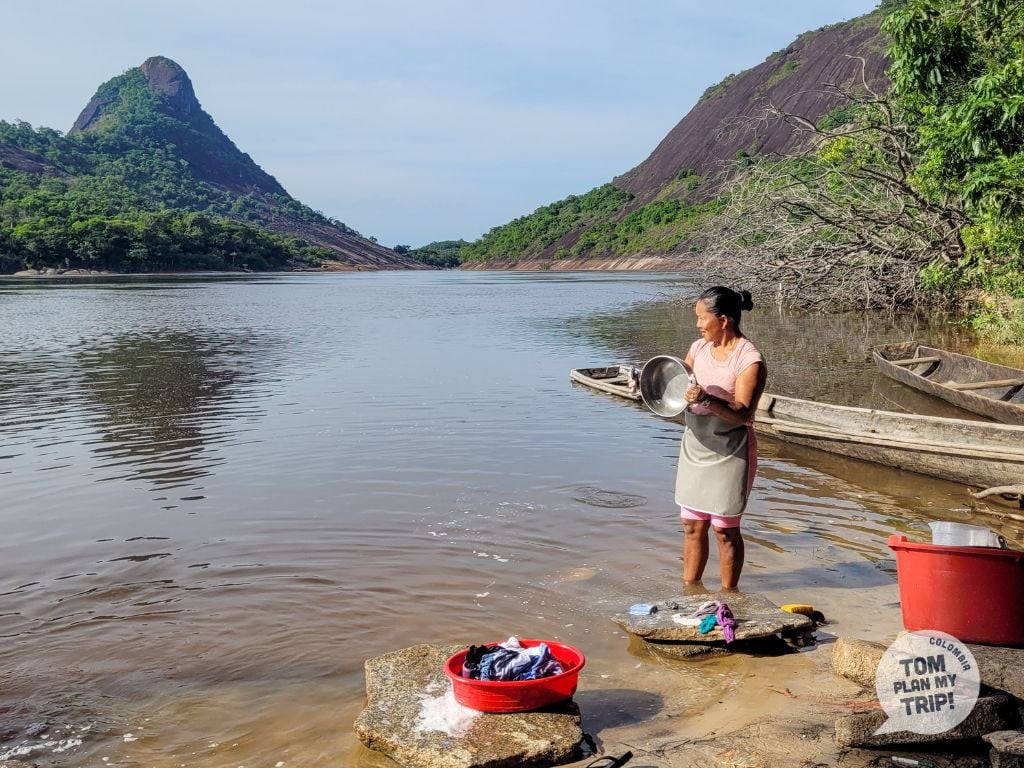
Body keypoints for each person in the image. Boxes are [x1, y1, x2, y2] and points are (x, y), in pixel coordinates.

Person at [676, 286, 766, 590]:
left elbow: (743, 414)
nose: (699, 325)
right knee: (691, 525)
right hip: (695, 445)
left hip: (730, 449)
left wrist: (706, 399)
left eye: (703, 318)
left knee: (724, 530)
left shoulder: (749, 359)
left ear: (724, 320)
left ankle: (729, 596)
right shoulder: (699, 348)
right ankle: (690, 590)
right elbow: (675, 382)